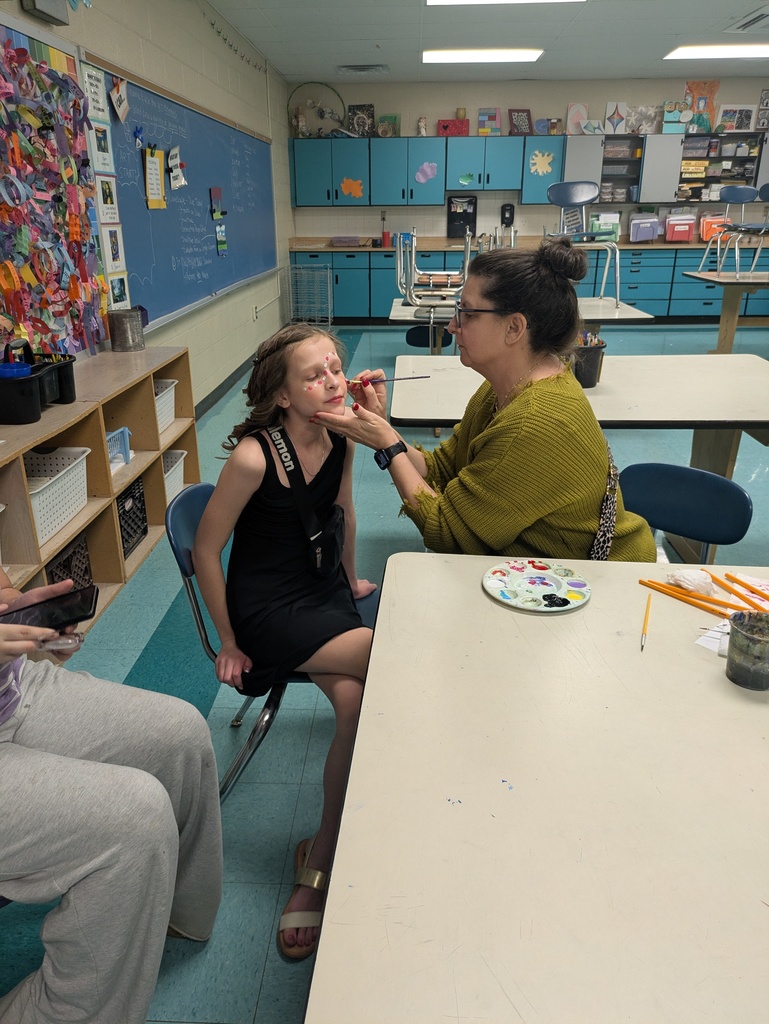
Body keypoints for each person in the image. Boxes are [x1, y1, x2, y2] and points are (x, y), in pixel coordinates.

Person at [192, 323, 376, 960]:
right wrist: (228, 640)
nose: (332, 380)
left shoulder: (341, 433)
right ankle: (329, 852)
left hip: (320, 592)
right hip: (267, 611)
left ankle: (321, 847)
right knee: (393, 657)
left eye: (335, 367)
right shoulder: (254, 456)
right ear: (281, 396)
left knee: (355, 704)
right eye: (313, 375)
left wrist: (350, 580)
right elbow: (206, 549)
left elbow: (342, 513)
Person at [312, 238, 657, 563]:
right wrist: (384, 430)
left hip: (599, 578)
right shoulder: (506, 386)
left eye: (468, 313)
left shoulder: (535, 421)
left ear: (514, 328)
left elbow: (447, 532)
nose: (452, 326)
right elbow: (444, 469)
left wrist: (388, 447)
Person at [0, 572, 223, 1024]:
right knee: (135, 818)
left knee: (181, 733)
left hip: (13, 692)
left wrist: (24, 616)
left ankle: (169, 918)